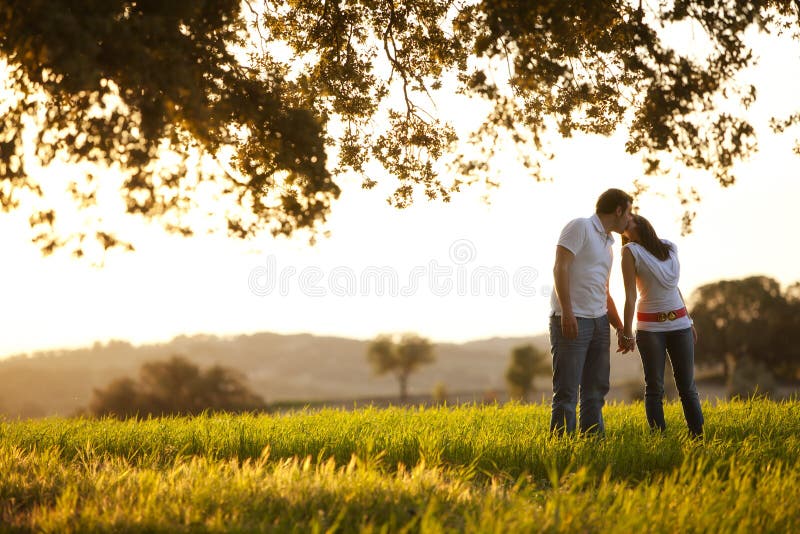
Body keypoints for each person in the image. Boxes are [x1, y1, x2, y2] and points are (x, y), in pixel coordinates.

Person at [549, 188, 633, 435]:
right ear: (618, 210)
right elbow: (559, 268)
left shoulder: (608, 244)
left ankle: (592, 445)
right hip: (572, 320)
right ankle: (561, 449)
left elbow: (604, 291)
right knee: (566, 392)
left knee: (595, 391)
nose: (630, 218)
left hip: (599, 323)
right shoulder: (580, 227)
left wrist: (619, 327)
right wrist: (567, 311)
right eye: (628, 212)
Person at [619, 214, 704, 438]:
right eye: (623, 226)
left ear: (642, 223)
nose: (624, 226)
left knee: (687, 385)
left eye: (628, 221)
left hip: (680, 323)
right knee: (655, 386)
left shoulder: (670, 247)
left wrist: (689, 319)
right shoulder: (629, 251)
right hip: (650, 328)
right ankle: (659, 438)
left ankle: (698, 435)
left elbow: (675, 288)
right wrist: (627, 332)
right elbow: (629, 295)